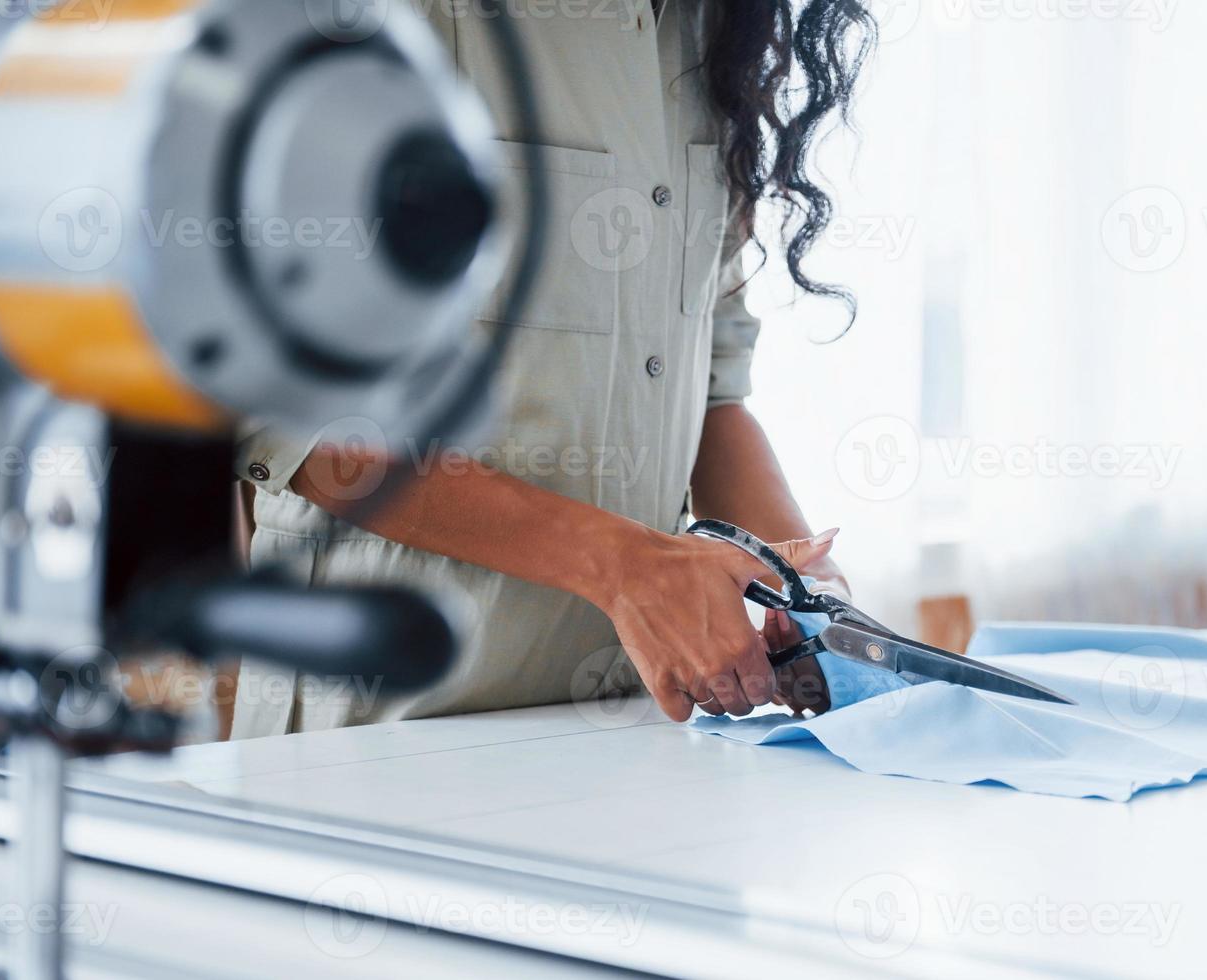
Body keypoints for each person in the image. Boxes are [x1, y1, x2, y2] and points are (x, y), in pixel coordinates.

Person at [229, 0, 875, 736]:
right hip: (380, 725)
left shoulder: (713, 29)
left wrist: (809, 595)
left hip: (632, 725)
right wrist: (621, 566)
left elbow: (714, 394)